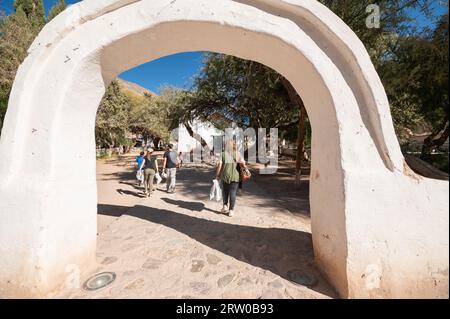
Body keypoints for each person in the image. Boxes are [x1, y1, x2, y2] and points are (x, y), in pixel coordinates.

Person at [216, 139, 246, 217]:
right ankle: (231, 211)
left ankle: (225, 206)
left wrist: (218, 175)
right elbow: (243, 163)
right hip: (235, 177)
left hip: (225, 176)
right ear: (234, 145)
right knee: (233, 193)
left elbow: (219, 166)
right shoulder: (238, 154)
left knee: (225, 191)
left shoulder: (222, 154)